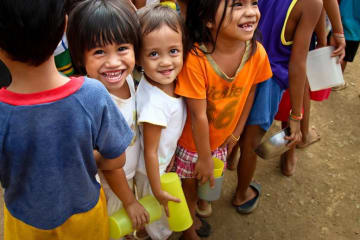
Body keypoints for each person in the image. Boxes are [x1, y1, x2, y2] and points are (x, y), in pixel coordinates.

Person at [0, 0, 135, 239]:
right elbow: (116, 159)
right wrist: (80, 155)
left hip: (26, 223)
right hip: (85, 216)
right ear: (64, 25)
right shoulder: (93, 94)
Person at [174, 1, 272, 239]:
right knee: (188, 191)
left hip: (220, 140)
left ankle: (197, 211)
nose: (250, 11)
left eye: (254, 3)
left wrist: (236, 132)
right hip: (193, 145)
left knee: (205, 187)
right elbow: (197, 115)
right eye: (237, 5)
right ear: (208, 19)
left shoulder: (256, 52)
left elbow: (250, 91)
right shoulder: (196, 59)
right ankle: (188, 230)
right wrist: (205, 157)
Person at [229, 0, 322, 216]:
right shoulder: (311, 4)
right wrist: (296, 116)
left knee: (234, 126)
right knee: (251, 142)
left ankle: (230, 162)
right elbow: (298, 63)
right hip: (268, 80)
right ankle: (242, 194)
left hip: (240, 64)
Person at [66, 0, 150, 238]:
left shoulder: (129, 82)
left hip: (129, 175)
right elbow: (108, 164)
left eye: (122, 48)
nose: (113, 62)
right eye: (99, 52)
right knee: (114, 226)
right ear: (81, 57)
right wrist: (130, 200)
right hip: (111, 187)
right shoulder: (93, 104)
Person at [135, 4, 186, 240]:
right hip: (151, 172)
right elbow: (151, 152)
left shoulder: (165, 83)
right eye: (154, 54)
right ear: (138, 58)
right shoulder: (154, 105)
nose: (166, 62)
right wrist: (157, 189)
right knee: (159, 217)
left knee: (155, 214)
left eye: (174, 51)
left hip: (160, 166)